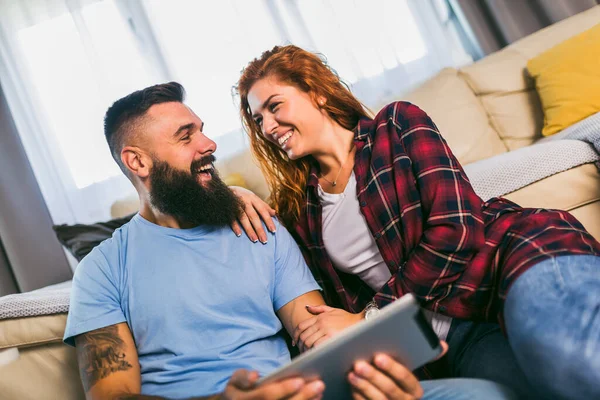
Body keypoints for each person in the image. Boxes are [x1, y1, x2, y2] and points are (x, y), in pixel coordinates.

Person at [63, 82, 515, 400]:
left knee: (483, 394)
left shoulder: (259, 227)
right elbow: (113, 395)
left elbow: (314, 330)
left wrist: (374, 372)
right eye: (186, 137)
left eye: (202, 129)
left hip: (306, 393)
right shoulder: (103, 268)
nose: (209, 144)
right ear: (137, 161)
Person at [232, 44, 600, 400]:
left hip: (513, 263)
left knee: (573, 362)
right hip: (454, 337)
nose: (266, 126)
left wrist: (368, 316)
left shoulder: (395, 125)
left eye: (274, 106)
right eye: (258, 118)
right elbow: (270, 255)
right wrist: (234, 193)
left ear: (317, 93)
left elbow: (456, 229)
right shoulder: (301, 209)